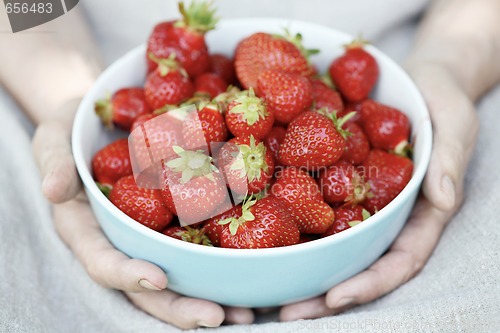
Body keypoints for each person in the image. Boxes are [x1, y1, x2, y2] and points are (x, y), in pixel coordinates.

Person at [0, 0, 499, 331]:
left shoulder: (292, 116)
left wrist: (454, 59)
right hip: (85, 64)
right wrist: (62, 87)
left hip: (421, 51)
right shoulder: (208, 123)